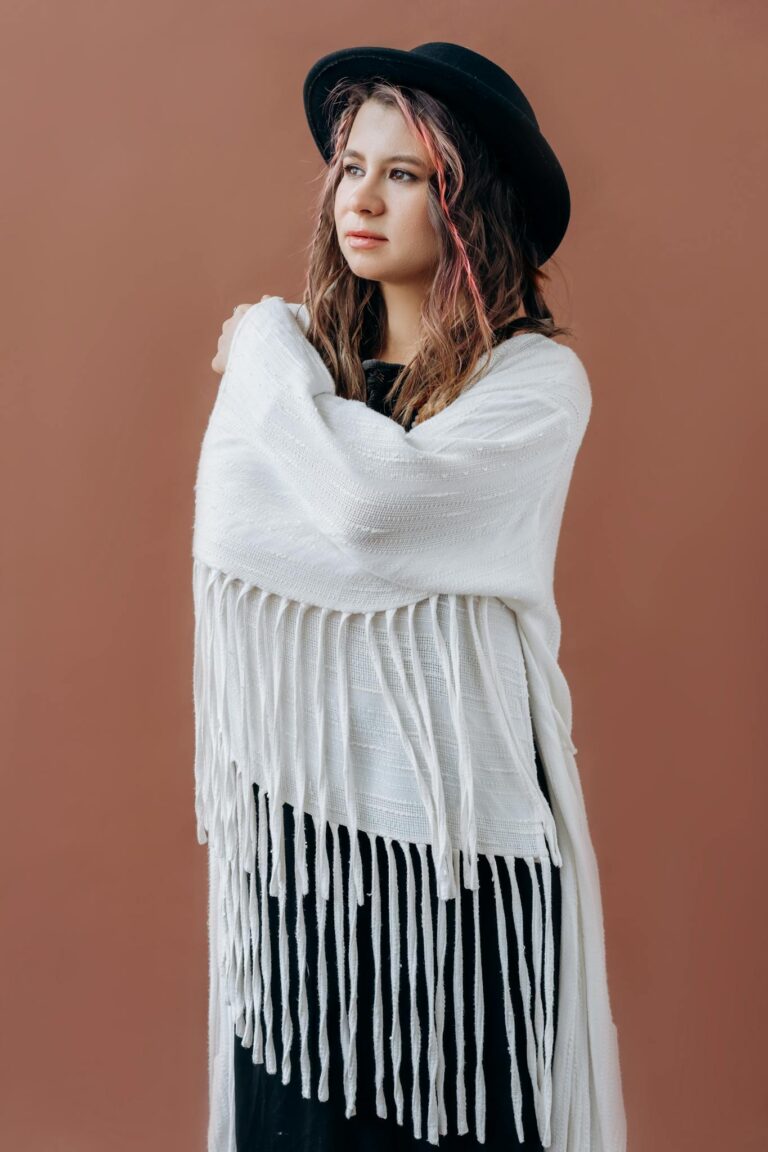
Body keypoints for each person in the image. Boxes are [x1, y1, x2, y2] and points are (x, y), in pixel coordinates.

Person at [198, 42, 627, 1152]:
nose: (363, 198)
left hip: (455, 860)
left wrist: (258, 351)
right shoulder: (299, 367)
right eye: (352, 167)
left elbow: (372, 511)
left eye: (405, 174)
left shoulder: (532, 385)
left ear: (468, 203)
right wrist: (278, 350)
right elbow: (243, 532)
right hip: (300, 842)